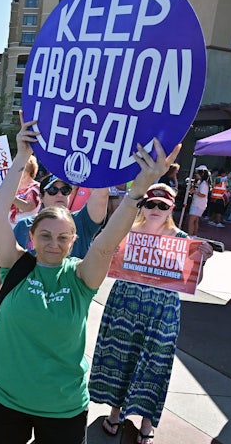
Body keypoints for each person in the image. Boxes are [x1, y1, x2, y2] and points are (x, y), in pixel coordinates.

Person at [0, 114, 180, 444]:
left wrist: (138, 191)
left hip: (62, 408)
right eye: (45, 235)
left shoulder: (80, 277)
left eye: (62, 238)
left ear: (73, 241)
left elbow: (105, 245)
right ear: (31, 235)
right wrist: (22, 156)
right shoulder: (13, 265)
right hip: (4, 398)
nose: (53, 244)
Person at [89, 184, 213, 443]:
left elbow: (192, 280)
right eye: (151, 204)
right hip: (125, 304)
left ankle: (147, 420)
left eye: (162, 205)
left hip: (163, 311)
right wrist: (108, 251)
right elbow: (101, 258)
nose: (156, 209)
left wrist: (202, 261)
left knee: (155, 363)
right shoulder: (125, 233)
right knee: (121, 355)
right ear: (143, 206)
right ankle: (115, 412)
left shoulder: (182, 240)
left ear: (171, 207)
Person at [13, 174, 109, 260]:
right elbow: (9, 261)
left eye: (65, 190)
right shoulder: (24, 225)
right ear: (41, 196)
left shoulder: (82, 220)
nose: (59, 195)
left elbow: (102, 194)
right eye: (52, 190)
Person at [8, 155, 41, 227]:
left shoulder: (35, 187)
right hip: (8, 230)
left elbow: (29, 207)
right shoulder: (12, 186)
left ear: (30, 170)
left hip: (25, 229)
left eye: (21, 169)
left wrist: (11, 197)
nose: (16, 171)